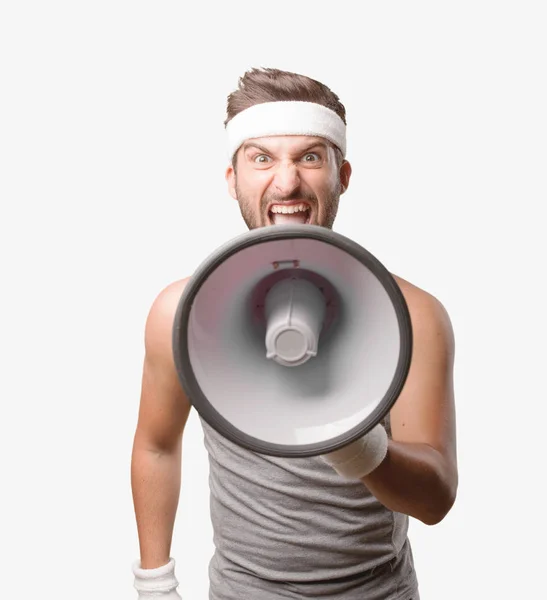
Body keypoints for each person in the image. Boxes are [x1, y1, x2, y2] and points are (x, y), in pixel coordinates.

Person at [130, 67, 458, 600]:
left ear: (343, 175)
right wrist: (155, 585)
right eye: (262, 158)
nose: (286, 183)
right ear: (232, 178)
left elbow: (435, 501)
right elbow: (157, 446)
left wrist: (346, 433)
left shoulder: (412, 314)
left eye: (310, 156)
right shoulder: (181, 313)